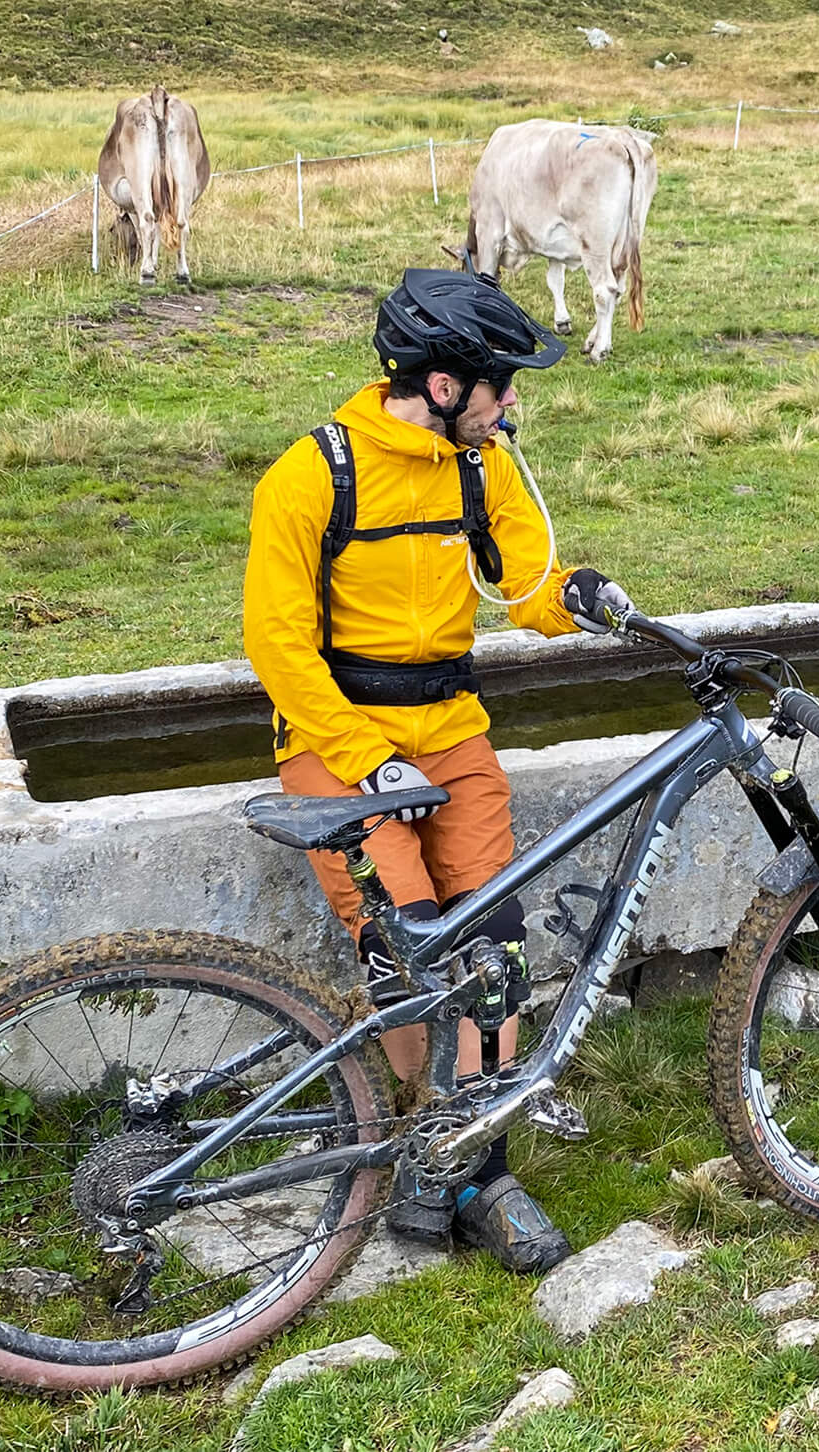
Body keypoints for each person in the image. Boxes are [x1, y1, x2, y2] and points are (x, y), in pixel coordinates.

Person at [243, 268, 631, 1273]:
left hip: (449, 729)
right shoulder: (310, 476)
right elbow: (276, 646)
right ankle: (444, 1156)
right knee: (408, 954)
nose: (513, 403)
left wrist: (573, 599)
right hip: (336, 739)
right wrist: (365, 758)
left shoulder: (482, 463)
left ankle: (471, 1167)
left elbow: (524, 581)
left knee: (491, 956)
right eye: (501, 383)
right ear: (446, 384)